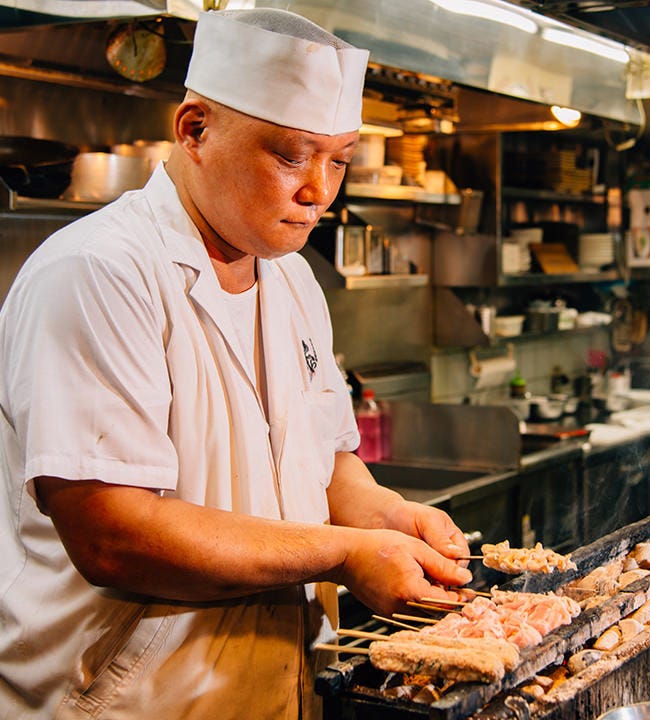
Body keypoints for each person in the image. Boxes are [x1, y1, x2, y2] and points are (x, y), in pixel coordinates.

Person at [0, 8, 472, 720]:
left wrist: (390, 517)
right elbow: (112, 534)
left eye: (339, 159)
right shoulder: (99, 271)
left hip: (275, 692)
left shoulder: (294, 279)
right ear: (195, 130)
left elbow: (327, 462)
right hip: (126, 704)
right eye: (291, 156)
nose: (319, 191)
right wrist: (345, 553)